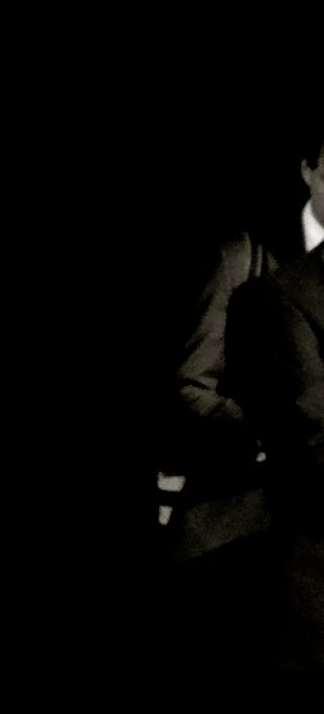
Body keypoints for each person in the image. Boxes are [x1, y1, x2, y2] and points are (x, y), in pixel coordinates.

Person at [164, 135, 315, 692]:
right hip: (242, 532)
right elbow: (189, 385)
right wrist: (258, 433)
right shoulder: (245, 258)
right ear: (308, 169)